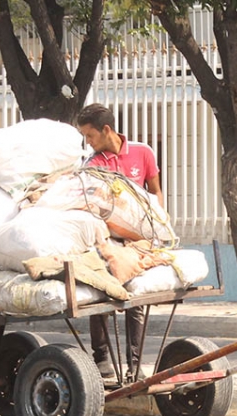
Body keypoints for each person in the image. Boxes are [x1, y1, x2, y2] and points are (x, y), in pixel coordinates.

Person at [77, 103, 163, 382]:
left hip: (139, 241)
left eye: (90, 136)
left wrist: (158, 228)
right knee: (103, 291)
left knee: (136, 299)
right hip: (107, 240)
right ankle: (101, 358)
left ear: (106, 130)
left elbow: (156, 192)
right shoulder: (94, 164)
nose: (88, 143)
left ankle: (134, 365)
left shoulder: (143, 153)